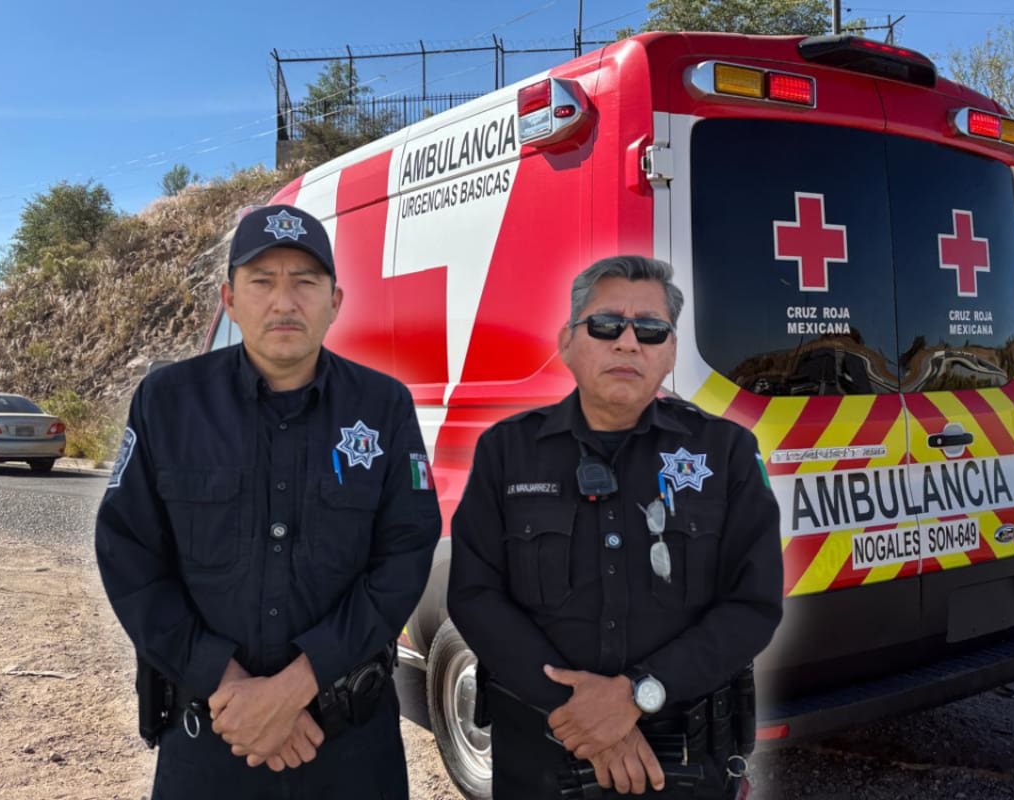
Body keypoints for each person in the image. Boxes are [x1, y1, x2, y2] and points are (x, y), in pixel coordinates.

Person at [95, 204, 441, 799]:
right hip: (213, 736)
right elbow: (130, 557)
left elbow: (404, 557)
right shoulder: (168, 404)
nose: (285, 302)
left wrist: (296, 687)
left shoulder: (383, 407)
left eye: (306, 282)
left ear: (335, 302)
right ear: (230, 301)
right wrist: (225, 683)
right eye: (262, 281)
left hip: (349, 746)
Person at [448, 255, 783, 799]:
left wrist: (633, 696)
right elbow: (474, 594)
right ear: (567, 342)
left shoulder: (726, 453)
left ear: (671, 352)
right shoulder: (506, 452)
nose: (629, 343)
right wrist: (584, 720)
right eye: (606, 325)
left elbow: (754, 604)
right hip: (540, 760)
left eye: (651, 331)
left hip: (683, 766)